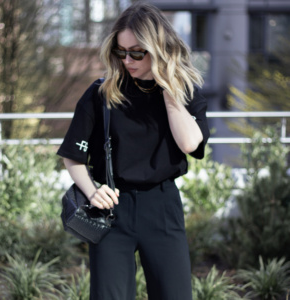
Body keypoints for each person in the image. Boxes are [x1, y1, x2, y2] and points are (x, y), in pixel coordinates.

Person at [57, 2, 209, 299]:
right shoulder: (102, 93)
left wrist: (168, 86)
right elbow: (72, 155)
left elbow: (190, 144)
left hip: (162, 207)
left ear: (159, 48)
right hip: (112, 210)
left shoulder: (185, 91)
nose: (127, 59)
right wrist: (91, 192)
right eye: (120, 51)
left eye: (137, 51)